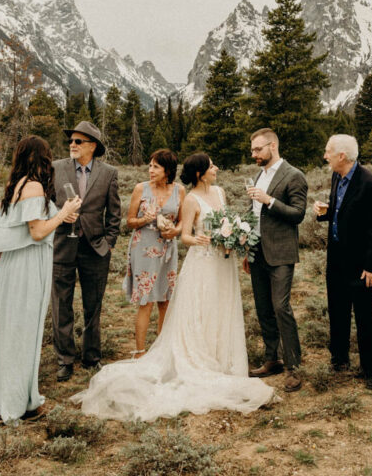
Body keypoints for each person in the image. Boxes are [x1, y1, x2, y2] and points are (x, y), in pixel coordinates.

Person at [72, 153, 276, 421]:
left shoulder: (218, 192)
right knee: (176, 304)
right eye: (211, 165)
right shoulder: (188, 197)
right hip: (189, 256)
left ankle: (221, 355)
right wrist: (198, 237)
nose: (216, 168)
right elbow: (187, 234)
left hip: (216, 261)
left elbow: (202, 224)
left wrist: (233, 236)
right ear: (200, 173)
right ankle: (153, 350)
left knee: (213, 306)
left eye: (155, 166)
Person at [0, 136, 81, 424]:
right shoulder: (33, 186)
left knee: (12, 329)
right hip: (26, 265)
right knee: (21, 331)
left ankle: (14, 394)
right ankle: (13, 401)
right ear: (41, 158)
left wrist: (59, 215)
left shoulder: (18, 184)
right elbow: (36, 232)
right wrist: (65, 214)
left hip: (16, 264)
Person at [313, 135, 372, 390]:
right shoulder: (337, 177)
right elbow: (341, 211)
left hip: (360, 263)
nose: (325, 156)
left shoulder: (370, 183)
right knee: (337, 309)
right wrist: (326, 212)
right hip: (336, 258)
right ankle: (339, 358)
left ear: (341, 156)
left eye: (328, 152)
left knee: (365, 315)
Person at [51, 121, 122, 382]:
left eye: (78, 141)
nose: (72, 145)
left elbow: (114, 212)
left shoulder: (109, 173)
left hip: (95, 248)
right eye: (71, 141)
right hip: (61, 244)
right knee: (61, 304)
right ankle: (65, 359)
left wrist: (110, 242)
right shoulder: (56, 168)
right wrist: (59, 216)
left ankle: (92, 356)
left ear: (92, 146)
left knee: (93, 304)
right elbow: (46, 202)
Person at [245, 128, 308, 392]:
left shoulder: (294, 175)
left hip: (281, 253)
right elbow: (253, 212)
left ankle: (294, 367)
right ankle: (273, 358)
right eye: (252, 150)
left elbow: (298, 213)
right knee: (263, 308)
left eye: (258, 149)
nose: (253, 154)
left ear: (272, 146)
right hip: (258, 252)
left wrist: (269, 200)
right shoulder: (259, 175)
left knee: (281, 307)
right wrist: (247, 245)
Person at [124, 149, 182, 357]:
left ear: (168, 170)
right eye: (150, 166)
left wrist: (175, 230)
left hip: (168, 248)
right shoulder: (140, 189)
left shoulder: (179, 191)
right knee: (145, 300)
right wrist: (144, 220)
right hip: (144, 248)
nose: (150, 170)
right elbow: (130, 221)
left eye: (156, 166)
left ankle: (161, 349)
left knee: (165, 300)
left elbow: (183, 220)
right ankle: (139, 352)